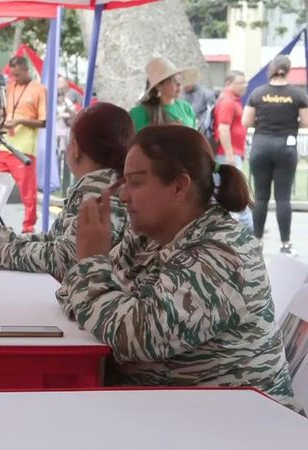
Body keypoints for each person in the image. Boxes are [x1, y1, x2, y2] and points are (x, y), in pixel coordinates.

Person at [56, 125, 300, 412]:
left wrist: (91, 265)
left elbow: (137, 336)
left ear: (178, 186)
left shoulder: (221, 253)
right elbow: (77, 300)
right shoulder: (149, 235)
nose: (123, 196)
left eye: (135, 182)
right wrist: (97, 291)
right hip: (171, 409)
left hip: (240, 424)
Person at [0, 103, 132, 280]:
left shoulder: (99, 195)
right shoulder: (103, 186)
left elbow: (66, 259)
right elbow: (52, 241)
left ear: (76, 148)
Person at [243, 55, 308, 256]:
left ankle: (257, 242)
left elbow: (246, 121)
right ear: (288, 70)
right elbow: (306, 122)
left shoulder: (258, 92)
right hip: (285, 147)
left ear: (271, 69)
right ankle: (285, 244)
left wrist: (263, 123)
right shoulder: (297, 94)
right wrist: (289, 123)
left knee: (261, 197)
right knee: (282, 198)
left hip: (261, 146)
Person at [0, 56, 47, 233]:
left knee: (27, 191)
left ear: (26, 70)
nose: (14, 78)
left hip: (24, 148)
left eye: (17, 74)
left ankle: (28, 228)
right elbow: (5, 112)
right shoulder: (9, 87)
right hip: (4, 144)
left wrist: (20, 121)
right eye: (12, 75)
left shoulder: (39, 89)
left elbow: (44, 122)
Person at [213, 70, 253, 231]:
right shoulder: (228, 102)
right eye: (240, 82)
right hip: (227, 155)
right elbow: (223, 128)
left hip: (231, 154)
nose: (244, 86)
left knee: (228, 190)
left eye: (245, 82)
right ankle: (248, 229)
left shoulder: (233, 100)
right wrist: (229, 153)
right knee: (237, 191)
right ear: (229, 83)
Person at [130, 57, 197, 131]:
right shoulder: (138, 113)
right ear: (158, 86)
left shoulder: (186, 108)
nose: (179, 84)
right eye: (173, 80)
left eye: (180, 79)